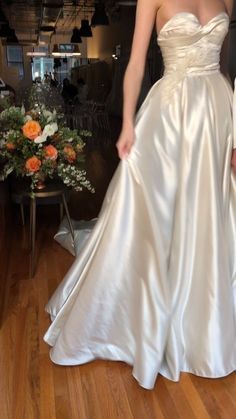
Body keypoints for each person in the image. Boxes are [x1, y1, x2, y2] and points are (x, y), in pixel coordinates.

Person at [44, 0, 236, 390]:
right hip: (170, 116)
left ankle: (206, 319)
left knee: (210, 211)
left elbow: (225, 68)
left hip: (217, 114)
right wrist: (128, 122)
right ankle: (152, 313)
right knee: (159, 215)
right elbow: (134, 65)